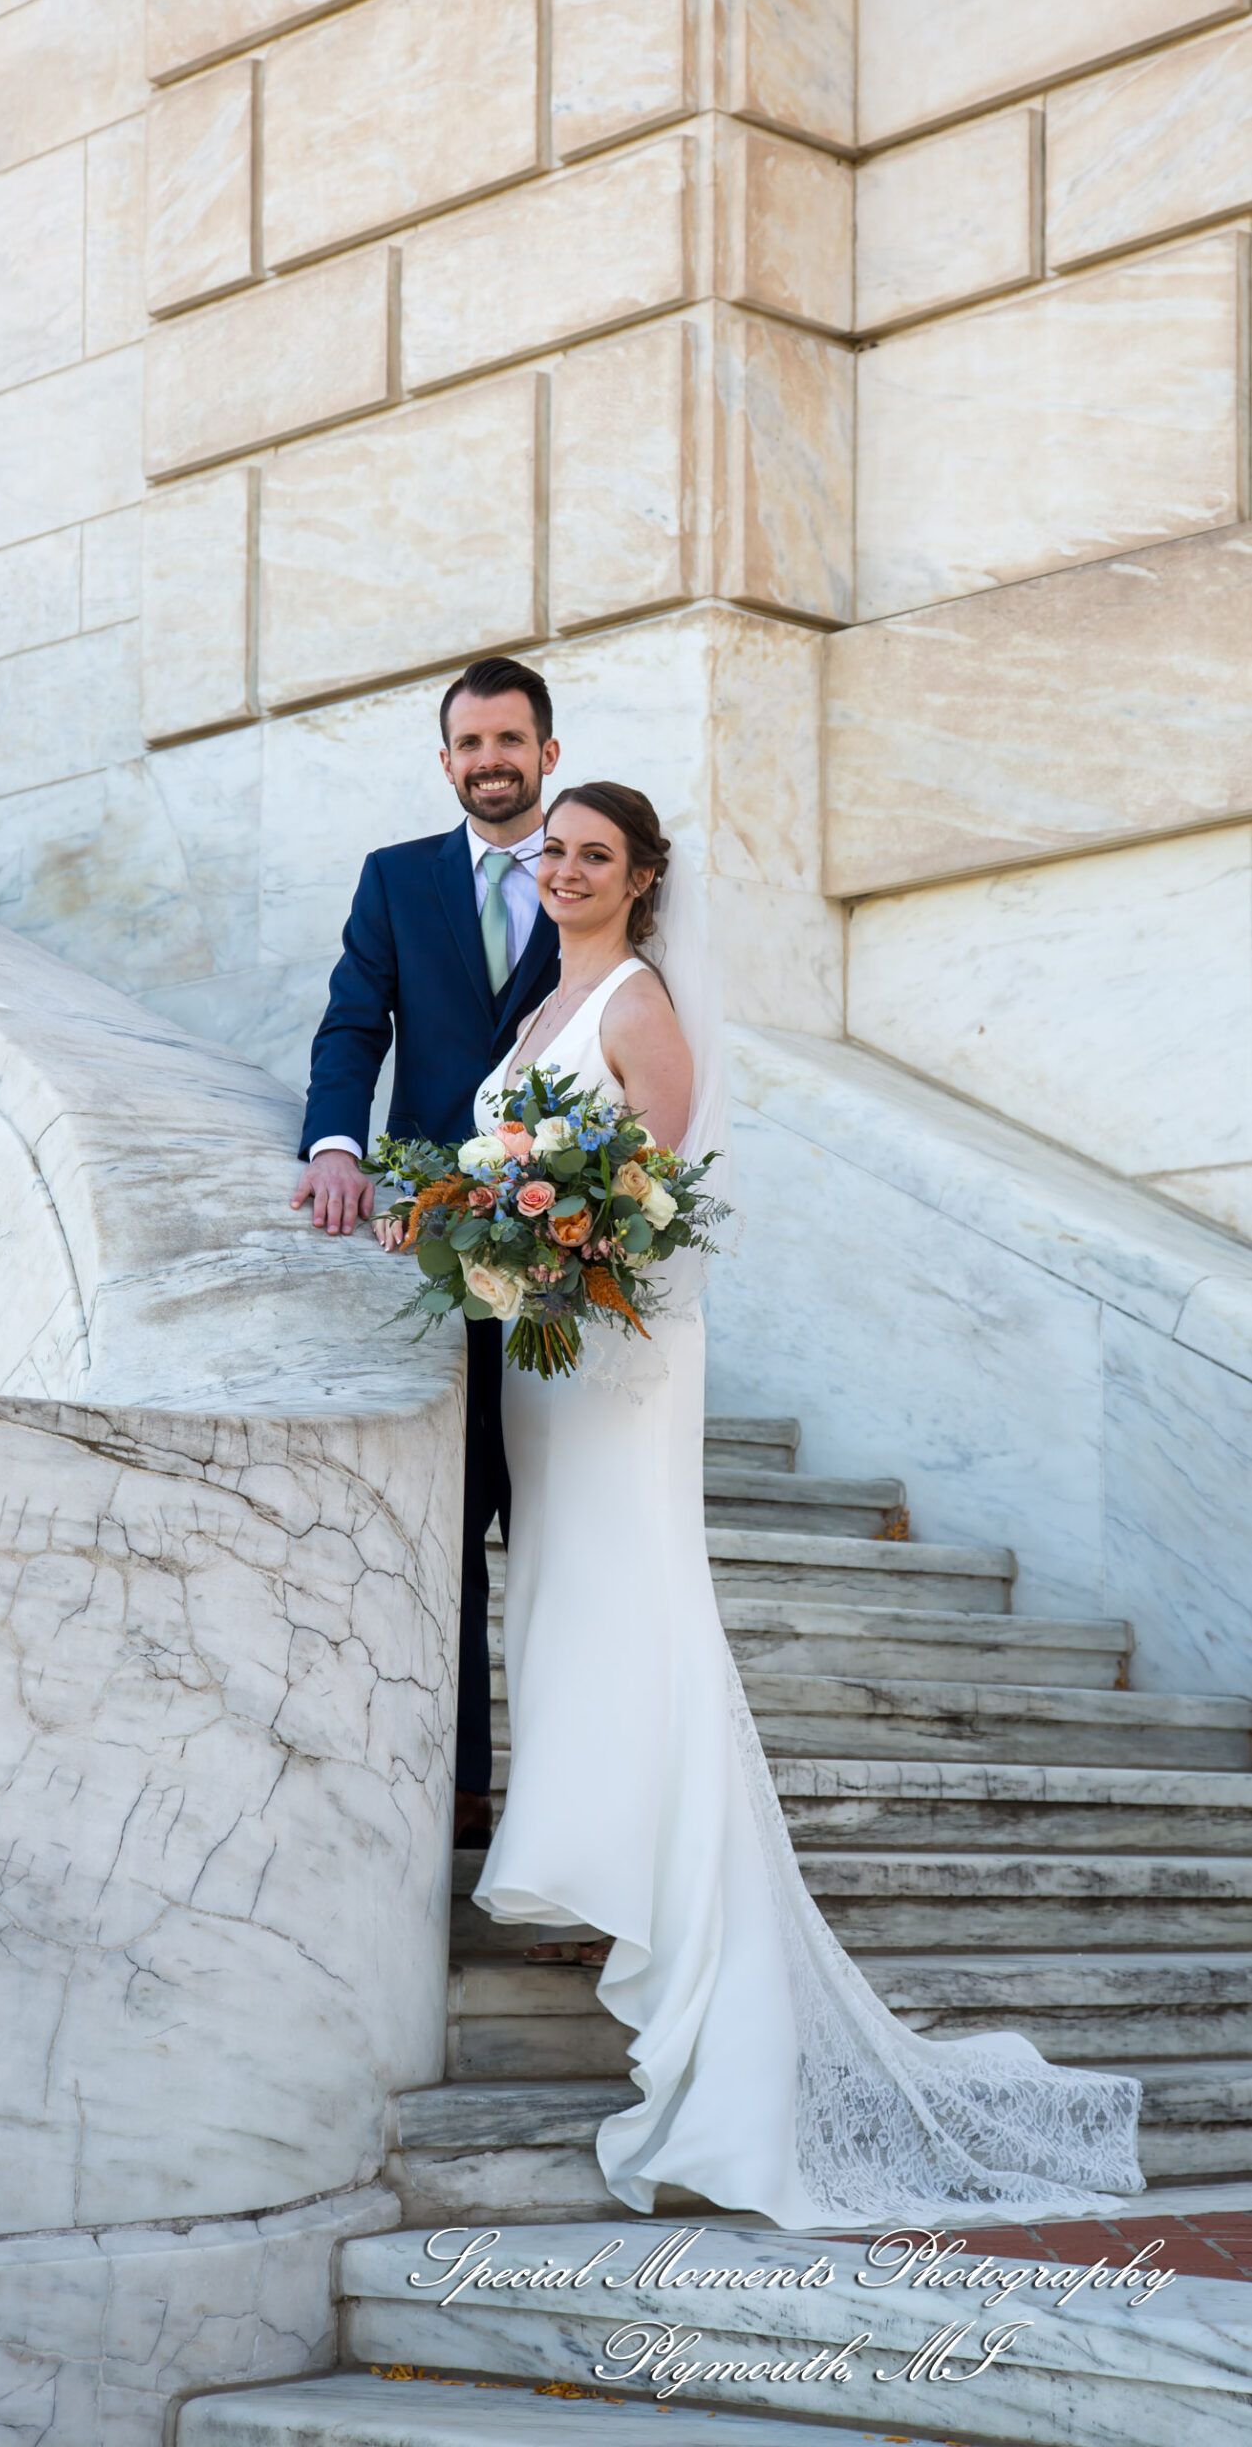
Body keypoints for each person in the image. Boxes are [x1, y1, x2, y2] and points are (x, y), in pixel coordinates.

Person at [416, 777, 1146, 2227]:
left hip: (616, 1358)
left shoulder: (635, 1007)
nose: (566, 870)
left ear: (642, 878)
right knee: (562, 1604)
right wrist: (480, 1229)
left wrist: (553, 1245)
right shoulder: (539, 1008)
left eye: (595, 855)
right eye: (555, 851)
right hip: (543, 1361)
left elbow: (664, 1202)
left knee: (633, 1608)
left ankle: (674, 1930)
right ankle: (604, 1873)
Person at [292, 658, 561, 1852]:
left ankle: (564, 1805)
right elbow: (353, 1023)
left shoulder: (592, 871)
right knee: (448, 1522)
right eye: (469, 742)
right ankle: (457, 1790)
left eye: (509, 739)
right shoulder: (395, 879)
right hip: (436, 1253)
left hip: (567, 1261)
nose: (489, 760)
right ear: (446, 759)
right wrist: (336, 1145)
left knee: (560, 1531)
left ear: (547, 752)